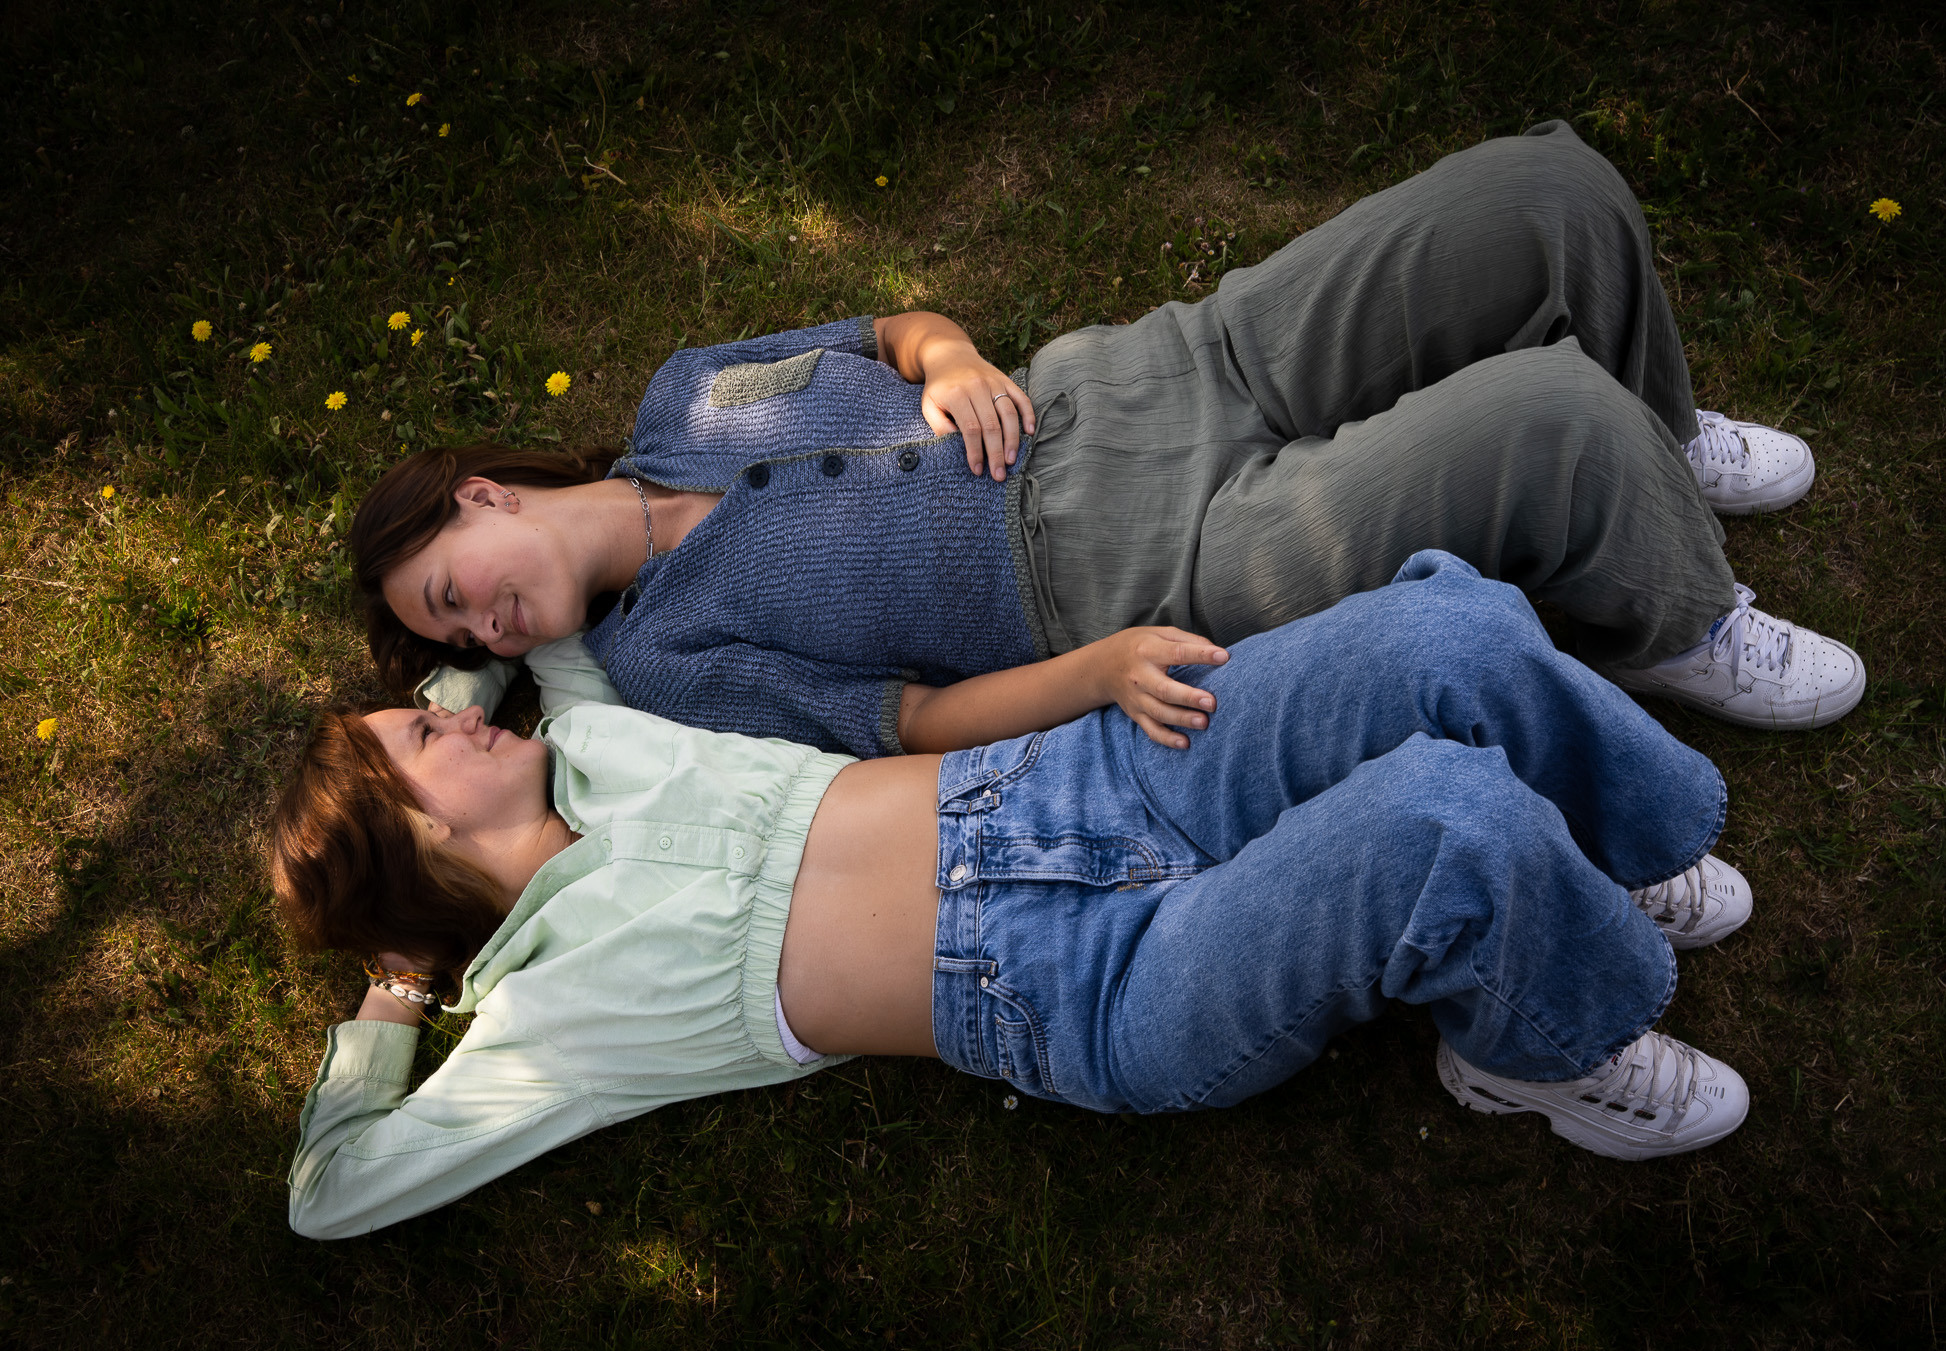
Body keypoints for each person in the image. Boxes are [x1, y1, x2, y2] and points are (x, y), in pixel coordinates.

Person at [275, 556, 1754, 1240]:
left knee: (1447, 634)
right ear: (417, 835)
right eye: (422, 743)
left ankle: (1614, 847)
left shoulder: (594, 730)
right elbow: (333, 1192)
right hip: (1093, 984)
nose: (455, 714)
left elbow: (493, 654)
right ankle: (1530, 1046)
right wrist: (399, 975)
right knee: (1442, 821)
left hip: (1097, 773)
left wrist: (420, 725)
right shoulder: (549, 1022)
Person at [350, 120, 1864, 760]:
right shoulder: (664, 663)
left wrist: (949, 355)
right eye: (460, 635)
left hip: (1158, 369)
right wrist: (1095, 670)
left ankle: (1661, 446)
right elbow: (907, 722)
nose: (485, 626)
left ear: (479, 496)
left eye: (451, 589)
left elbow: (887, 330)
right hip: (1143, 562)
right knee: (1550, 418)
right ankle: (1670, 616)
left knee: (1547, 192)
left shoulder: (684, 392)